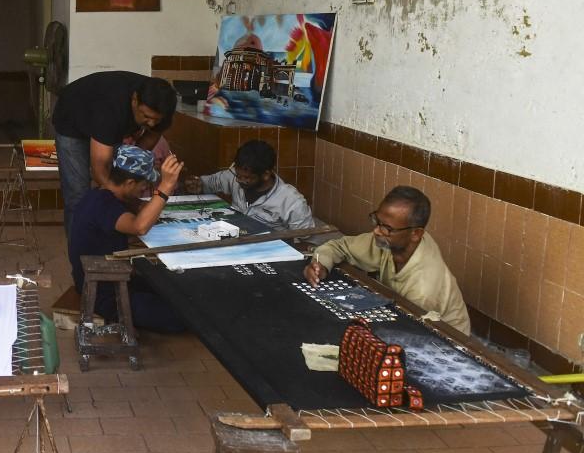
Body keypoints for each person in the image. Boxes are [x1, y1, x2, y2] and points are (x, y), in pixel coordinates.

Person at [305, 186, 470, 335]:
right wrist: (321, 265)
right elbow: (339, 246)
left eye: (387, 228)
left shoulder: (424, 287)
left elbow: (405, 332)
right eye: (377, 221)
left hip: (442, 345)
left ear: (416, 234)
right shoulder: (392, 241)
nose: (376, 231)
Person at [68, 144, 188, 333]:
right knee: (182, 317)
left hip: (104, 279)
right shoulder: (105, 206)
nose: (144, 190)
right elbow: (139, 227)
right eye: (143, 187)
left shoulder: (97, 195)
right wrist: (165, 187)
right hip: (104, 291)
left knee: (173, 291)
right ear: (130, 183)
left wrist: (140, 205)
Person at [52, 71, 178, 236]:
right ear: (134, 100)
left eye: (157, 120)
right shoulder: (109, 109)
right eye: (147, 117)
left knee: (120, 180)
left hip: (109, 124)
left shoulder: (162, 106)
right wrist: (133, 203)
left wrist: (133, 193)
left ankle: (113, 232)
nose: (152, 123)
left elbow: (135, 156)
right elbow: (100, 173)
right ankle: (80, 248)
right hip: (72, 121)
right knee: (79, 195)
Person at [182, 140, 316, 231]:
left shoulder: (291, 201)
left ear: (265, 174)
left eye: (246, 178)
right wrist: (197, 184)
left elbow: (307, 240)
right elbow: (209, 183)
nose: (239, 181)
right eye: (237, 175)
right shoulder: (233, 177)